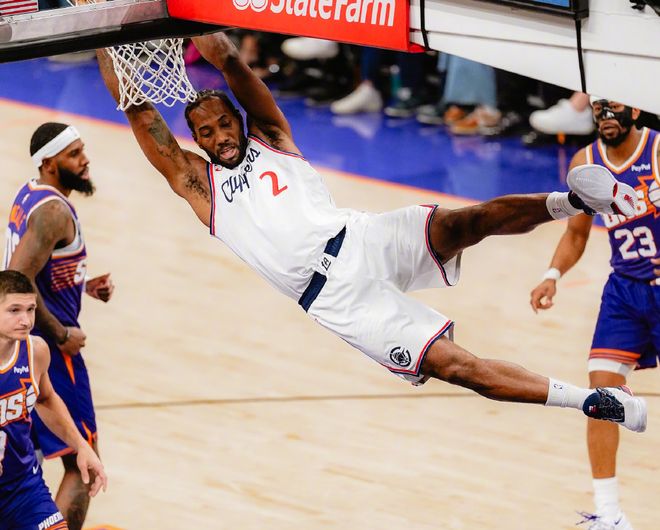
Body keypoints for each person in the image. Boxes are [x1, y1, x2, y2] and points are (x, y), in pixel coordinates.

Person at [97, 33, 646, 448]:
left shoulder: (271, 137)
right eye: (206, 132)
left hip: (360, 236)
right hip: (337, 299)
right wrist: (102, 34)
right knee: (459, 368)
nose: (219, 136)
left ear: (239, 121)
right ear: (195, 141)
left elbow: (233, 63)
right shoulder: (200, 187)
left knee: (462, 223)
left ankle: (574, 201)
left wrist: (196, 23)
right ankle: (594, 401)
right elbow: (140, 114)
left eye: (224, 124)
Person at [530, 97, 659, 530]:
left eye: (613, 107)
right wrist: (552, 275)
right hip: (625, 290)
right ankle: (608, 514)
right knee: (602, 397)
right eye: (599, 108)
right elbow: (576, 233)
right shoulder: (586, 163)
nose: (605, 116)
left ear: (635, 111)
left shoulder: (658, 150)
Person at [3, 122, 114, 530]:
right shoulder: (53, 212)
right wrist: (61, 334)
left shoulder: (30, 194)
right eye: (74, 154)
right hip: (47, 346)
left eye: (82, 150)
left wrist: (81, 284)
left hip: (27, 338)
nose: (85, 161)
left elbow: (37, 268)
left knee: (22, 452)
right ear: (50, 163)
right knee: (83, 461)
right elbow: (19, 277)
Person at [0, 269, 107, 530]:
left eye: (30, 309)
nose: (26, 320)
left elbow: (46, 399)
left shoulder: (35, 351)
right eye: (14, 310)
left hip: (23, 489)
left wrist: (81, 445)